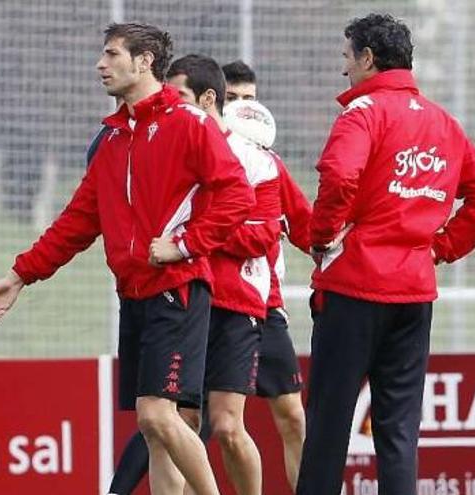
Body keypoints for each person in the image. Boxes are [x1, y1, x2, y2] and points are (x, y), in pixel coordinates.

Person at [0, 22, 255, 495]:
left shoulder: (188, 123)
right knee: (155, 430)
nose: (100, 65)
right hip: (136, 294)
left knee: (157, 415)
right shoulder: (110, 140)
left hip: (177, 290)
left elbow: (237, 196)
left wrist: (185, 243)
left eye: (111, 54)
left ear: (144, 62)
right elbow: (78, 221)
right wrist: (21, 274)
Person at [297, 13, 475, 494]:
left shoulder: (362, 114)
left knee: (328, 427)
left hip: (355, 288)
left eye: (347, 57)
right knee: (398, 432)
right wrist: (441, 248)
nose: (345, 70)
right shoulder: (445, 124)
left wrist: (322, 237)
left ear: (368, 58)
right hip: (414, 293)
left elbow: (339, 176)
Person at [167, 54, 281, 495]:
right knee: (176, 422)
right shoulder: (172, 147)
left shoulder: (256, 158)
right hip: (185, 297)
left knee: (229, 425)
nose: (169, 105)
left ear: (206, 98)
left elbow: (264, 234)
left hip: (238, 303)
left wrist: (199, 236)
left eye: (178, 97)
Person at [222, 61, 310, 493]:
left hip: (264, 305)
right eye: (232, 99)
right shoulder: (202, 156)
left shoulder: (269, 164)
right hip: (212, 304)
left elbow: (308, 227)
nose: (242, 110)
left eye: (250, 101)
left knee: (292, 415)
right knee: (200, 424)